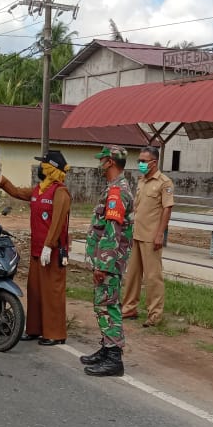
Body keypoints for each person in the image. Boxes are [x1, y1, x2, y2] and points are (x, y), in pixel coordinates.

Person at [0, 150, 71, 346]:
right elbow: (16, 191)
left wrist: (49, 246)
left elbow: (58, 221)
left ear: (50, 168)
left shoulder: (60, 192)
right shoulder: (38, 190)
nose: (40, 168)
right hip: (36, 249)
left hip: (51, 251)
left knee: (52, 291)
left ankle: (54, 333)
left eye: (43, 164)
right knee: (34, 290)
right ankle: (34, 329)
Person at [80, 145, 134, 377]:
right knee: (103, 304)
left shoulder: (116, 192)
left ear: (110, 162)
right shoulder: (115, 188)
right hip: (108, 260)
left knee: (107, 304)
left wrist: (103, 265)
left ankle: (114, 358)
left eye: (102, 160)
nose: (100, 164)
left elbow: (112, 231)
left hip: (109, 262)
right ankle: (107, 347)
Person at [121, 146, 175, 328]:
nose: (140, 164)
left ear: (154, 162)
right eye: (139, 161)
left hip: (152, 237)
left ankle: (155, 315)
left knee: (153, 277)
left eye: (144, 161)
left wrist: (160, 234)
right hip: (137, 233)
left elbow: (167, 209)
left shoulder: (164, 183)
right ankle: (129, 308)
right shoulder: (142, 181)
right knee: (132, 275)